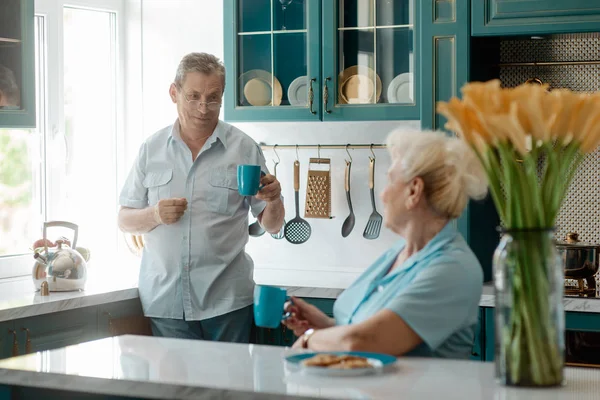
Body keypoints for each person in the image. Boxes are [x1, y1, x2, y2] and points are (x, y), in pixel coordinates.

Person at [118, 52, 285, 343]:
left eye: (213, 97)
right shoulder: (151, 149)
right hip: (165, 303)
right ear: (174, 93)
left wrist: (274, 198)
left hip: (227, 302)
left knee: (227, 388)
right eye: (193, 96)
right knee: (176, 390)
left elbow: (272, 225)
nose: (203, 108)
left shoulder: (244, 149)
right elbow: (124, 219)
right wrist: (154, 215)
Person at [284, 129, 488, 359]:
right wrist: (326, 325)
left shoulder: (453, 269)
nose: (382, 194)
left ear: (414, 191)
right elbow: (368, 332)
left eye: (390, 180)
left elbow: (363, 343)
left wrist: (310, 339)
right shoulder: (398, 253)